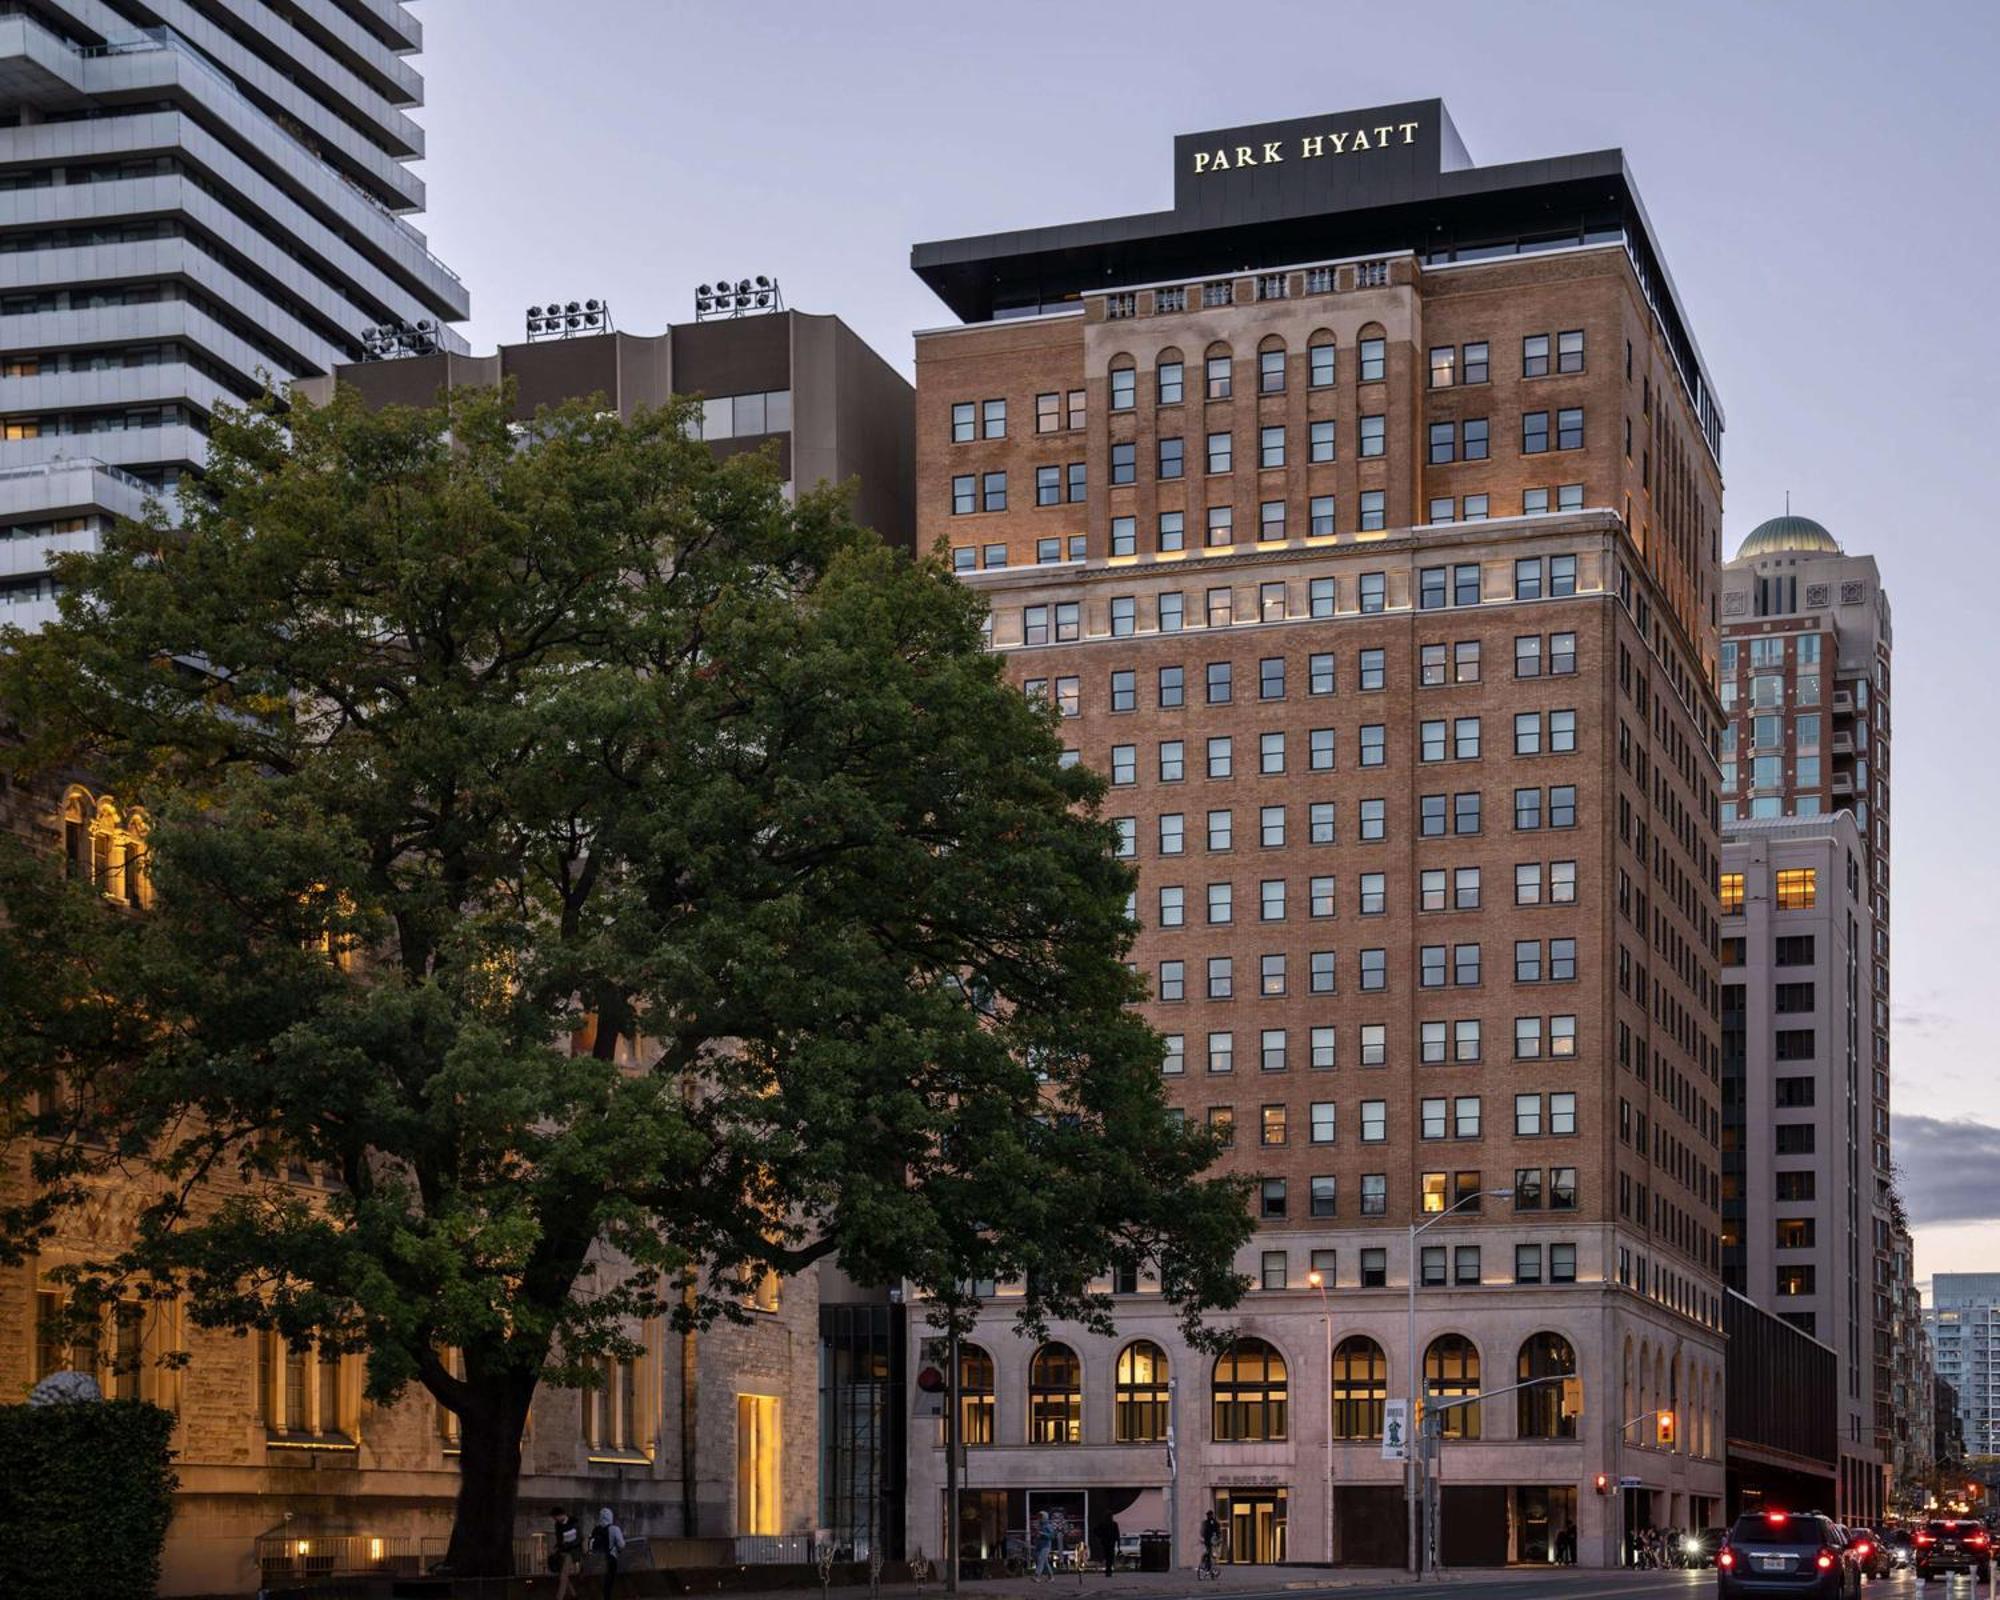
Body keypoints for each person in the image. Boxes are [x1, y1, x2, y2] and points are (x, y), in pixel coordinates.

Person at [590, 1506, 626, 1597]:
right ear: (611, 1517)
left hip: (596, 1560)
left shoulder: (595, 1529)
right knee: (609, 1582)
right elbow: (621, 1545)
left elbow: (590, 1543)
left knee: (599, 1582)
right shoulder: (614, 1529)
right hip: (610, 1559)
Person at [551, 1508, 583, 1599]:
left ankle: (559, 1597)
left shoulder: (574, 1522)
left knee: (564, 1574)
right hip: (563, 1550)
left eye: (556, 1517)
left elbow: (579, 1538)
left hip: (572, 1551)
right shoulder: (558, 1525)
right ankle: (573, 1594)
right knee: (562, 1573)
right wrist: (557, 1547)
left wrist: (568, 1544)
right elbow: (559, 1538)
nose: (555, 1519)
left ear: (561, 1515)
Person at [1093, 1509, 1117, 1577]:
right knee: (1110, 1557)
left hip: (1105, 1542)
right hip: (1110, 1543)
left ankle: (1108, 1570)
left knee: (1107, 1556)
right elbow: (1116, 1534)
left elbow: (1095, 1530)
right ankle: (1108, 1570)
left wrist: (1100, 1536)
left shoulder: (1103, 1524)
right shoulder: (1113, 1524)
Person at [1033, 1510, 1055, 1581]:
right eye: (1039, 1516)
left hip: (1046, 1546)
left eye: (1041, 1517)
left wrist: (1043, 1534)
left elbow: (1052, 1536)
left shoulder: (1048, 1526)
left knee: (1041, 1560)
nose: (1039, 1518)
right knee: (1044, 1562)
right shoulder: (1039, 1525)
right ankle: (1051, 1576)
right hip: (1039, 1545)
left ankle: (1037, 1576)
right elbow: (1037, 1535)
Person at [1199, 1511, 1221, 1579]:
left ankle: (1212, 1567)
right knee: (1208, 1553)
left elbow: (1218, 1531)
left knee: (1212, 1553)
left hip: (1212, 1540)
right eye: (1208, 1515)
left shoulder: (1214, 1523)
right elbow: (1202, 1531)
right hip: (1208, 1540)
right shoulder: (1206, 1523)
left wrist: (1218, 1538)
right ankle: (1207, 1565)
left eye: (1210, 1515)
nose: (1209, 1516)